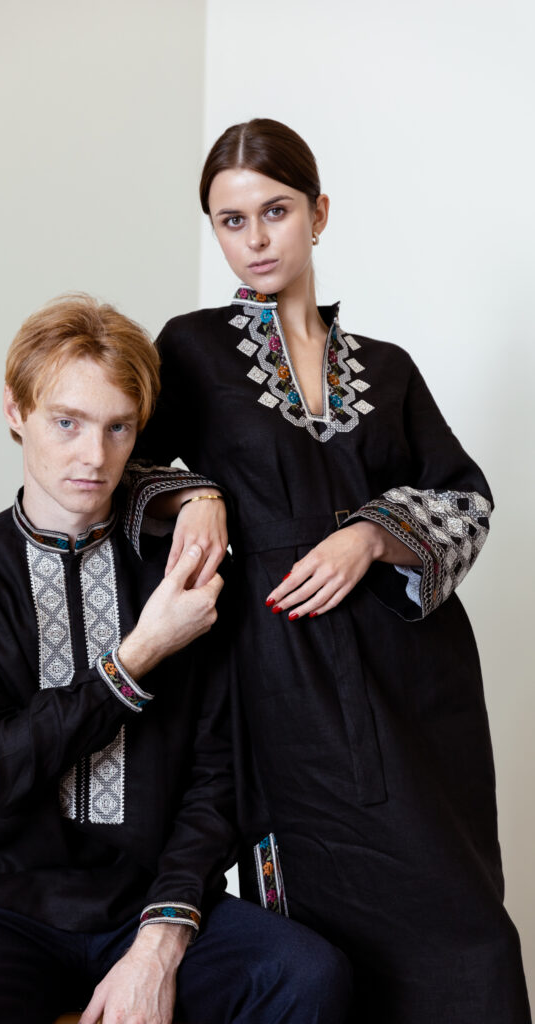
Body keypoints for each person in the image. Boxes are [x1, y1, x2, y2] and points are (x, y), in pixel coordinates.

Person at [136, 119, 531, 1023]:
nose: (256, 238)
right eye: (231, 220)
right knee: (323, 934)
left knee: (468, 930)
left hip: (412, 680)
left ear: (318, 214)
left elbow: (466, 499)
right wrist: (194, 493)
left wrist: (371, 536)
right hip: (282, 679)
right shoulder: (190, 350)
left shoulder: (387, 370)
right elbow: (129, 474)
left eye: (275, 211)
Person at [0, 293, 352, 1024]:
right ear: (15, 411)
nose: (94, 456)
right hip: (0, 902)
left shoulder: (184, 571)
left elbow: (218, 778)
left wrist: (160, 941)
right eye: (66, 422)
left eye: (118, 428)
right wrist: (142, 652)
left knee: (307, 976)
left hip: (151, 900)